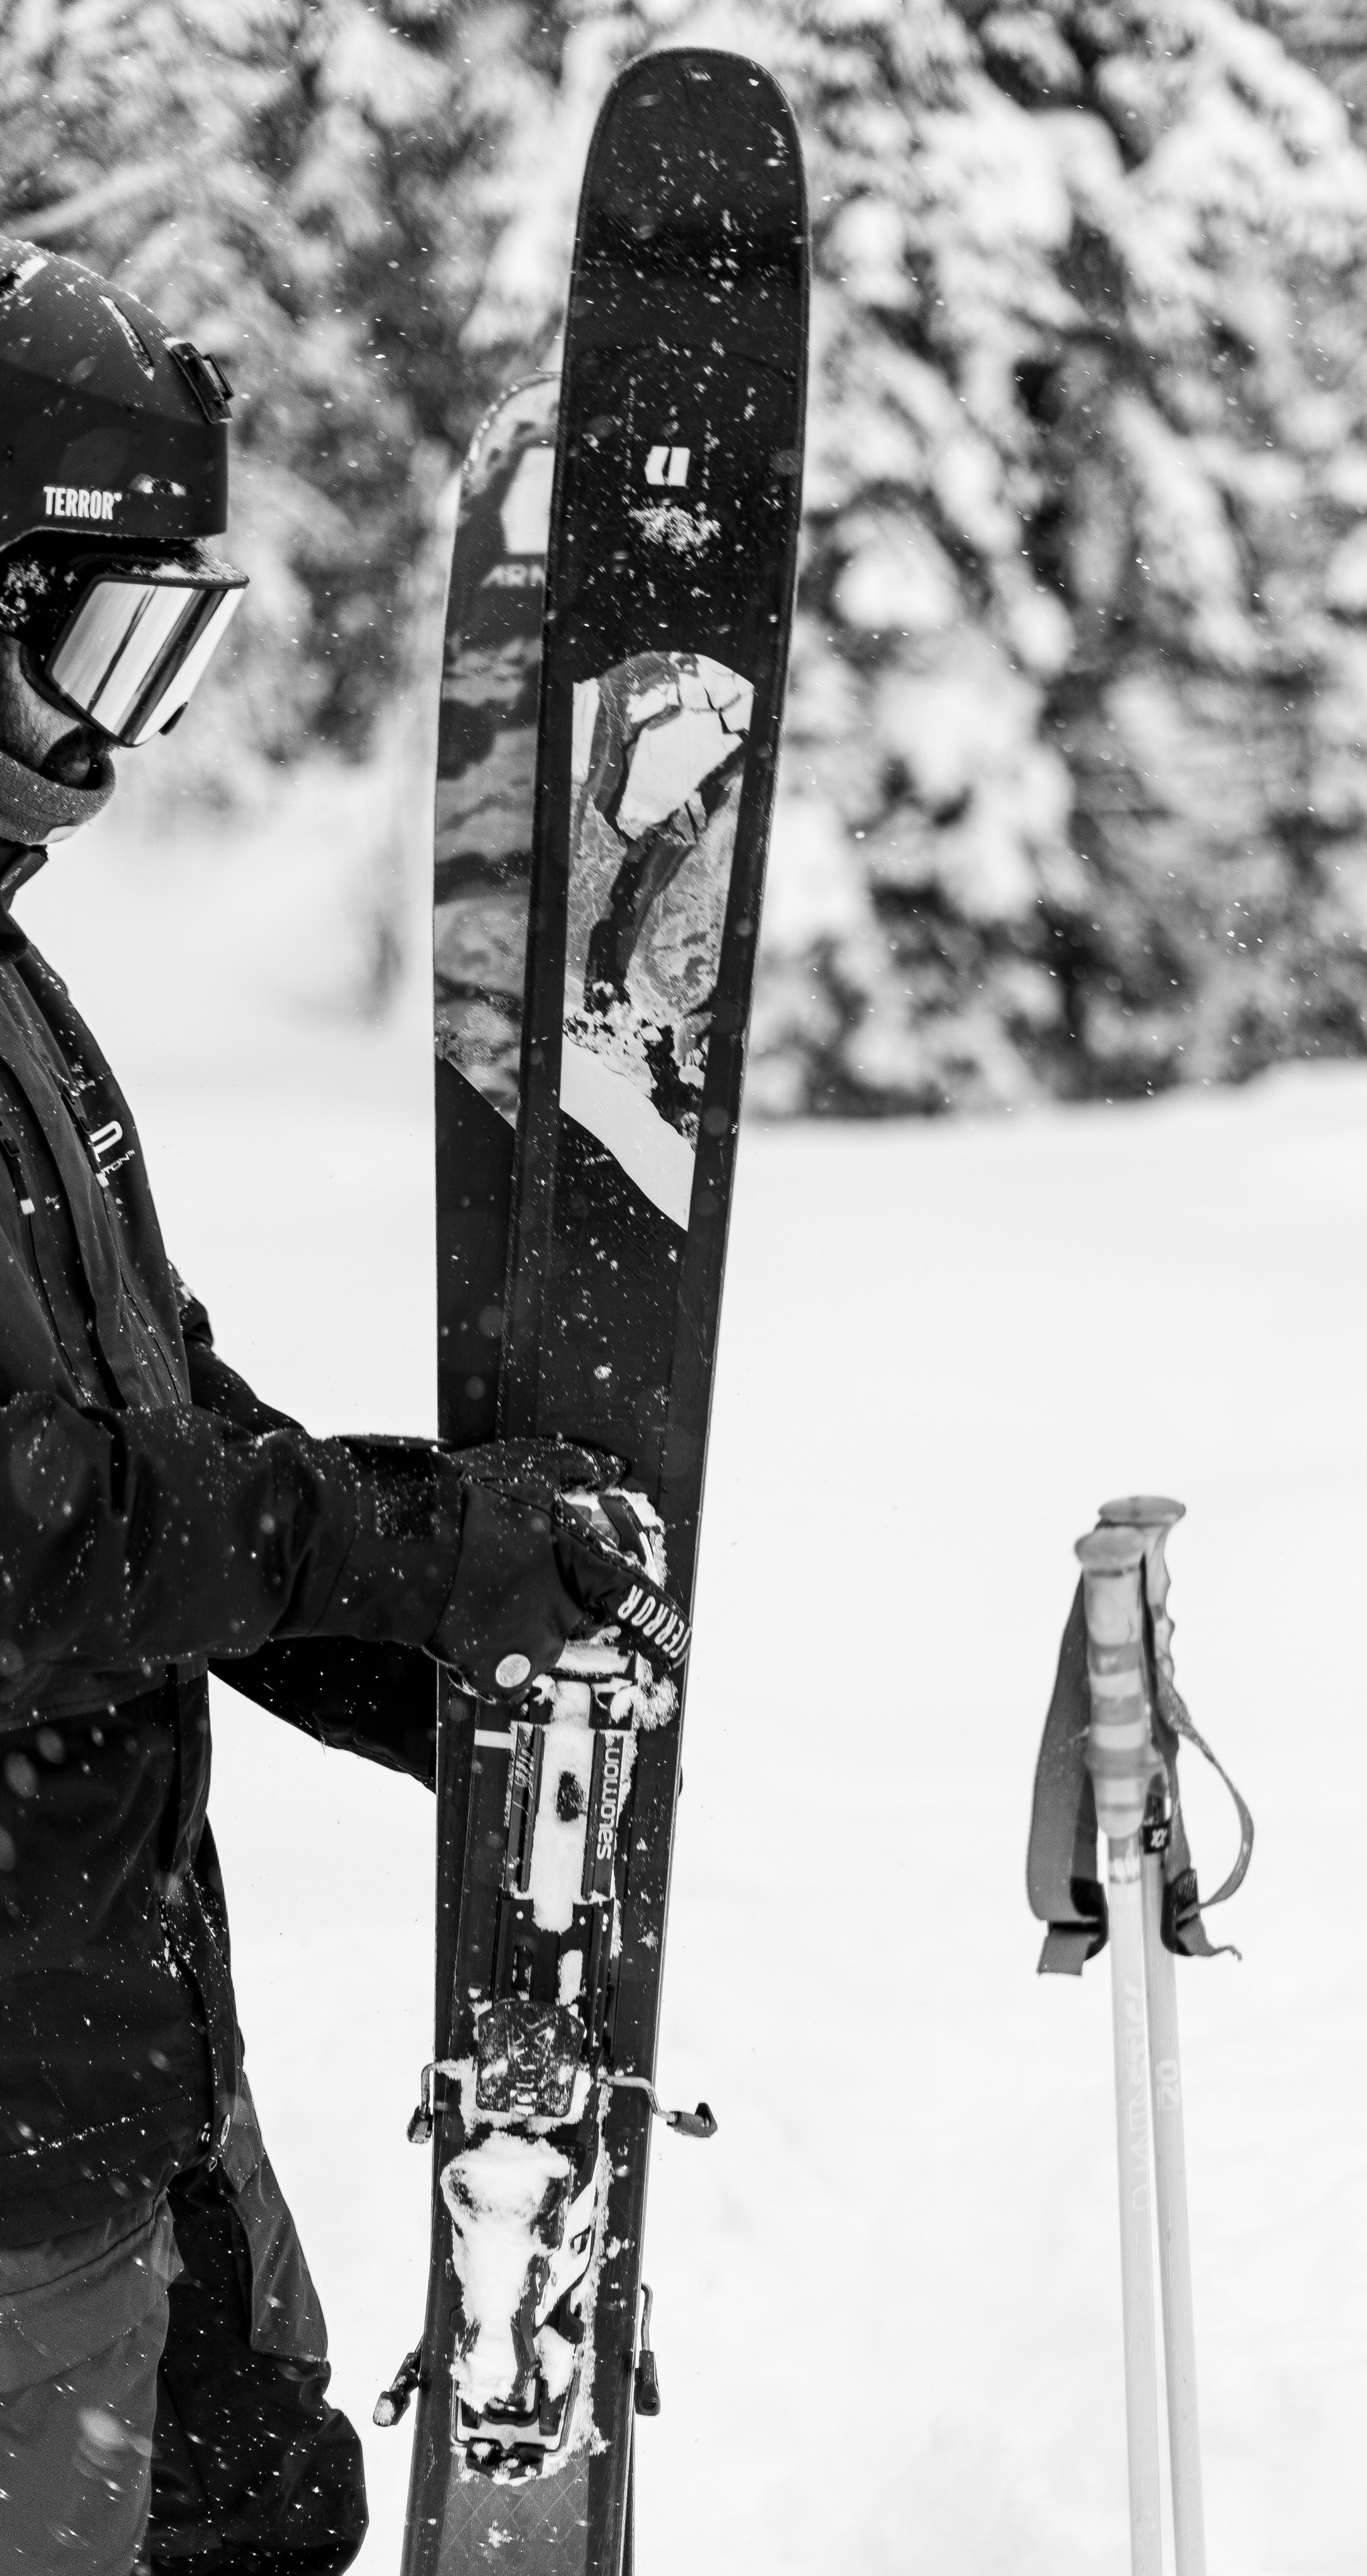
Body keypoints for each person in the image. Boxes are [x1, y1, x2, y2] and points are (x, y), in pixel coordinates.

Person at [0, 238, 687, 2574]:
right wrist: (397, 1550)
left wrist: (389, 1647)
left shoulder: (7, 987)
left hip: (117, 2052)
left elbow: (151, 1406)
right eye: (87, 647)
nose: (114, 739)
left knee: (272, 2514)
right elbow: (28, 1537)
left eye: (159, 662)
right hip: (7, 2173)